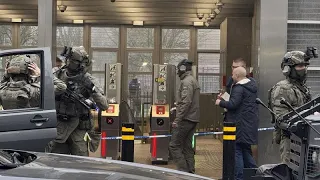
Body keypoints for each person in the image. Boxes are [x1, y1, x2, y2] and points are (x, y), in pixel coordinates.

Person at [46, 46, 109, 156]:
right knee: (55, 160)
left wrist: (92, 89)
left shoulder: (88, 80)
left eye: (72, 60)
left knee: (80, 161)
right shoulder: (57, 75)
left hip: (78, 128)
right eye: (68, 59)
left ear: (81, 64)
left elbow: (104, 105)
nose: (68, 61)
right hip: (59, 126)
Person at [215, 66, 259, 180]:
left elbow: (234, 104)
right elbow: (240, 102)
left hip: (240, 125)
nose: (232, 76)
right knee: (246, 150)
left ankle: (238, 177)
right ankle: (256, 175)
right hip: (248, 124)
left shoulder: (239, 88)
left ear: (237, 76)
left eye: (233, 74)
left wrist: (220, 102)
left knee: (237, 151)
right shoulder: (251, 86)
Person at [269, 51, 311, 164]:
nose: (304, 69)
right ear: (288, 69)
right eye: (300, 66)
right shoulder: (283, 88)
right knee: (291, 171)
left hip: (305, 138)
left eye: (305, 66)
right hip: (290, 140)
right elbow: (281, 118)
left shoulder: (302, 88)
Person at [169, 59, 200, 174]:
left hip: (185, 119)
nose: (177, 72)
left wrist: (177, 119)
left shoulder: (186, 82)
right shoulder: (193, 80)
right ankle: (190, 172)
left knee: (174, 145)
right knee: (187, 147)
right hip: (193, 118)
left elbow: (186, 102)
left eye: (178, 69)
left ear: (183, 69)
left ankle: (183, 172)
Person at [0, 55, 66, 109]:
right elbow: (61, 86)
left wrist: (6, 76)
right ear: (30, 72)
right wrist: (41, 74)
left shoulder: (2, 90)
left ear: (10, 73)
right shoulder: (36, 91)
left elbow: (2, 83)